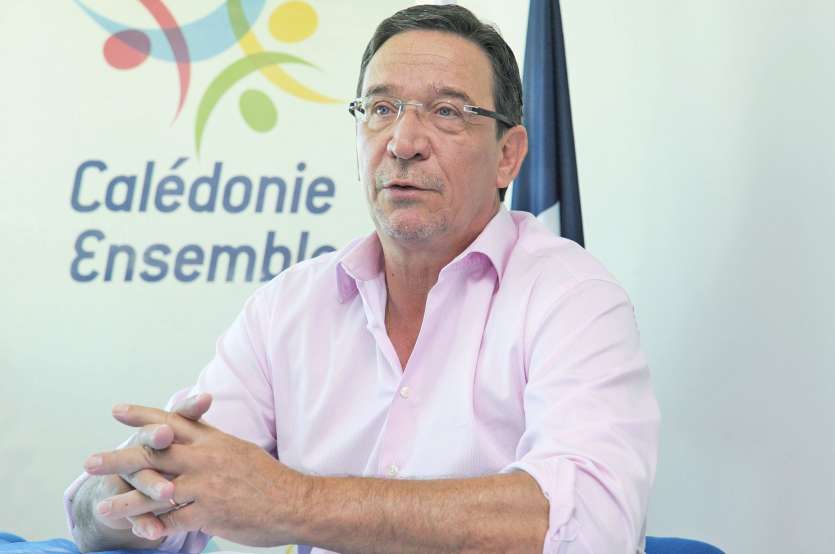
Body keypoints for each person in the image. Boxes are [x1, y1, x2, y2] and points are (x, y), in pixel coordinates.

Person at [66, 5, 660, 554]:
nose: (403, 143)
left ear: (508, 155)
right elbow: (143, 510)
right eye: (380, 109)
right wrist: (128, 497)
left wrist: (291, 501)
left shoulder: (573, 299)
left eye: (447, 111)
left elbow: (593, 525)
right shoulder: (289, 306)